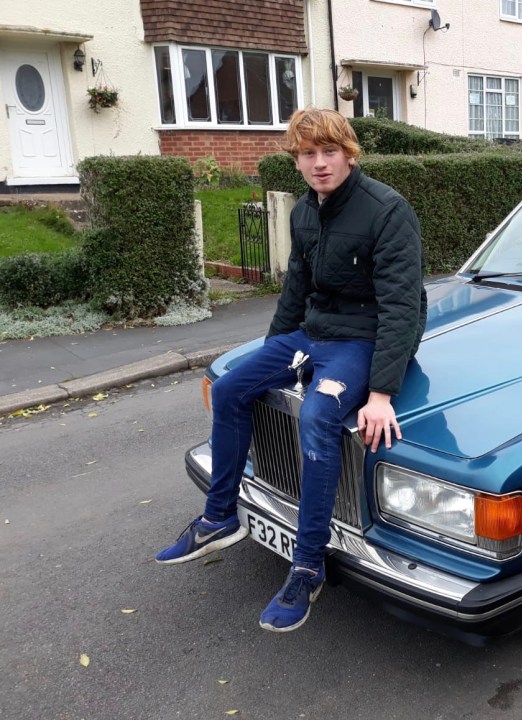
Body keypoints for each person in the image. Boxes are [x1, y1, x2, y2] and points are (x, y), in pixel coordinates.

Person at [156, 107, 427, 633]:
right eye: (308, 154)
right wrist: (273, 351)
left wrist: (381, 394)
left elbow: (402, 306)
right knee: (234, 387)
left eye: (330, 152)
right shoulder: (304, 211)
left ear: (349, 154)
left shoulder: (387, 210)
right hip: (312, 333)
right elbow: (296, 290)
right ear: (296, 160)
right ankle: (219, 518)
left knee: (318, 414)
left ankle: (308, 564)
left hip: (363, 339)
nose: (320, 164)